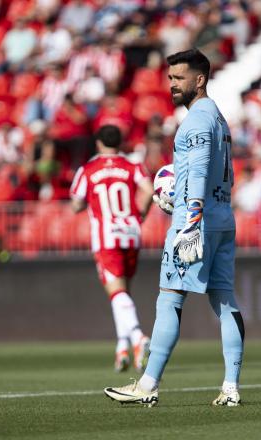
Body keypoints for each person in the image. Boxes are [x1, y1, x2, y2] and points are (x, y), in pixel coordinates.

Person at [104, 49, 245, 407]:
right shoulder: (218, 118)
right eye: (170, 78)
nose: (172, 85)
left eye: (179, 78)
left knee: (169, 299)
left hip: (194, 222)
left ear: (200, 80)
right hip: (223, 217)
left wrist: (190, 219)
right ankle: (231, 387)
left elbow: (197, 171)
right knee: (225, 301)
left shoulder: (196, 121)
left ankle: (147, 384)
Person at [70, 125, 154, 373]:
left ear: (98, 143)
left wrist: (82, 203)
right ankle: (122, 347)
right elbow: (149, 190)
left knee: (117, 294)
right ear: (121, 142)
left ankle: (138, 337)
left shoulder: (88, 169)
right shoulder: (133, 166)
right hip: (131, 232)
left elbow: (75, 203)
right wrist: (140, 215)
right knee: (123, 293)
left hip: (106, 237)